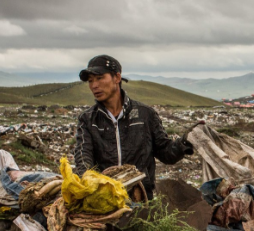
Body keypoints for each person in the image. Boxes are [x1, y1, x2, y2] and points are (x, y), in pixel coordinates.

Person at [72, 55, 193, 199]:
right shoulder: (88, 119)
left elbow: (165, 152)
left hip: (140, 198)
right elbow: (83, 155)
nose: (94, 86)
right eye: (90, 81)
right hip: (104, 200)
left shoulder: (145, 115)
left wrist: (183, 144)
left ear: (117, 77)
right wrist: (89, 180)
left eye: (99, 78)